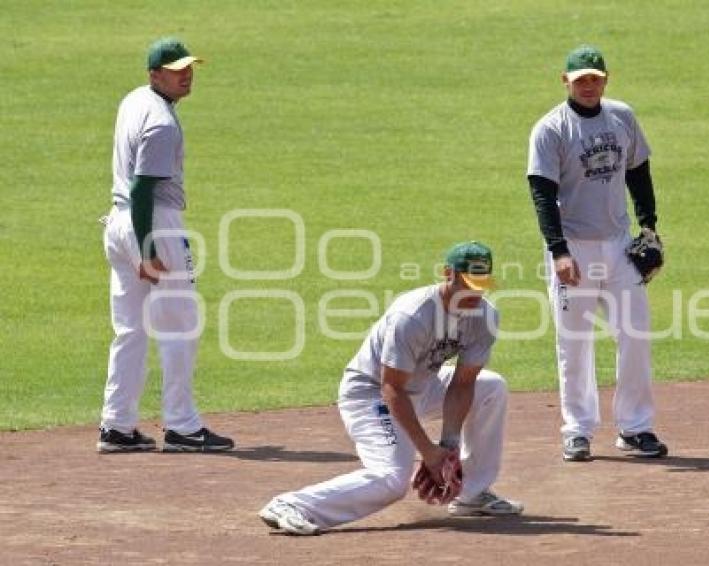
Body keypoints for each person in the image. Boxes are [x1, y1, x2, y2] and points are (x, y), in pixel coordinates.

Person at [259, 242, 523, 535]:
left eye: (483, 285)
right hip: (371, 394)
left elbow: (463, 384)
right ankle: (294, 505)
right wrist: (427, 451)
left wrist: (448, 446)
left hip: (422, 386)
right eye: (470, 285)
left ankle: (472, 493)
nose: (476, 294)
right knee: (392, 479)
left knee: (492, 387)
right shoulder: (412, 316)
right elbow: (391, 388)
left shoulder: (485, 316)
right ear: (448, 274)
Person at [526, 44, 668, 462]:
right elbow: (542, 194)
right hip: (574, 247)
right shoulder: (551, 129)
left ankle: (635, 427)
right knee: (574, 342)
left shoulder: (622, 116)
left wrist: (649, 227)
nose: (588, 86)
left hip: (620, 245)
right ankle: (577, 429)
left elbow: (638, 171)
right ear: (565, 81)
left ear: (606, 80)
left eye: (595, 78)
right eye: (580, 79)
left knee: (636, 335)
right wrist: (558, 251)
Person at [97, 37, 233, 453]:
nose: (186, 75)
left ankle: (117, 426)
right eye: (176, 70)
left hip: (117, 223)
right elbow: (143, 190)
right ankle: (182, 427)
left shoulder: (134, 100)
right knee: (179, 326)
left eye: (189, 67)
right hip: (151, 225)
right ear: (155, 75)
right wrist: (148, 250)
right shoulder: (161, 123)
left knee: (131, 330)